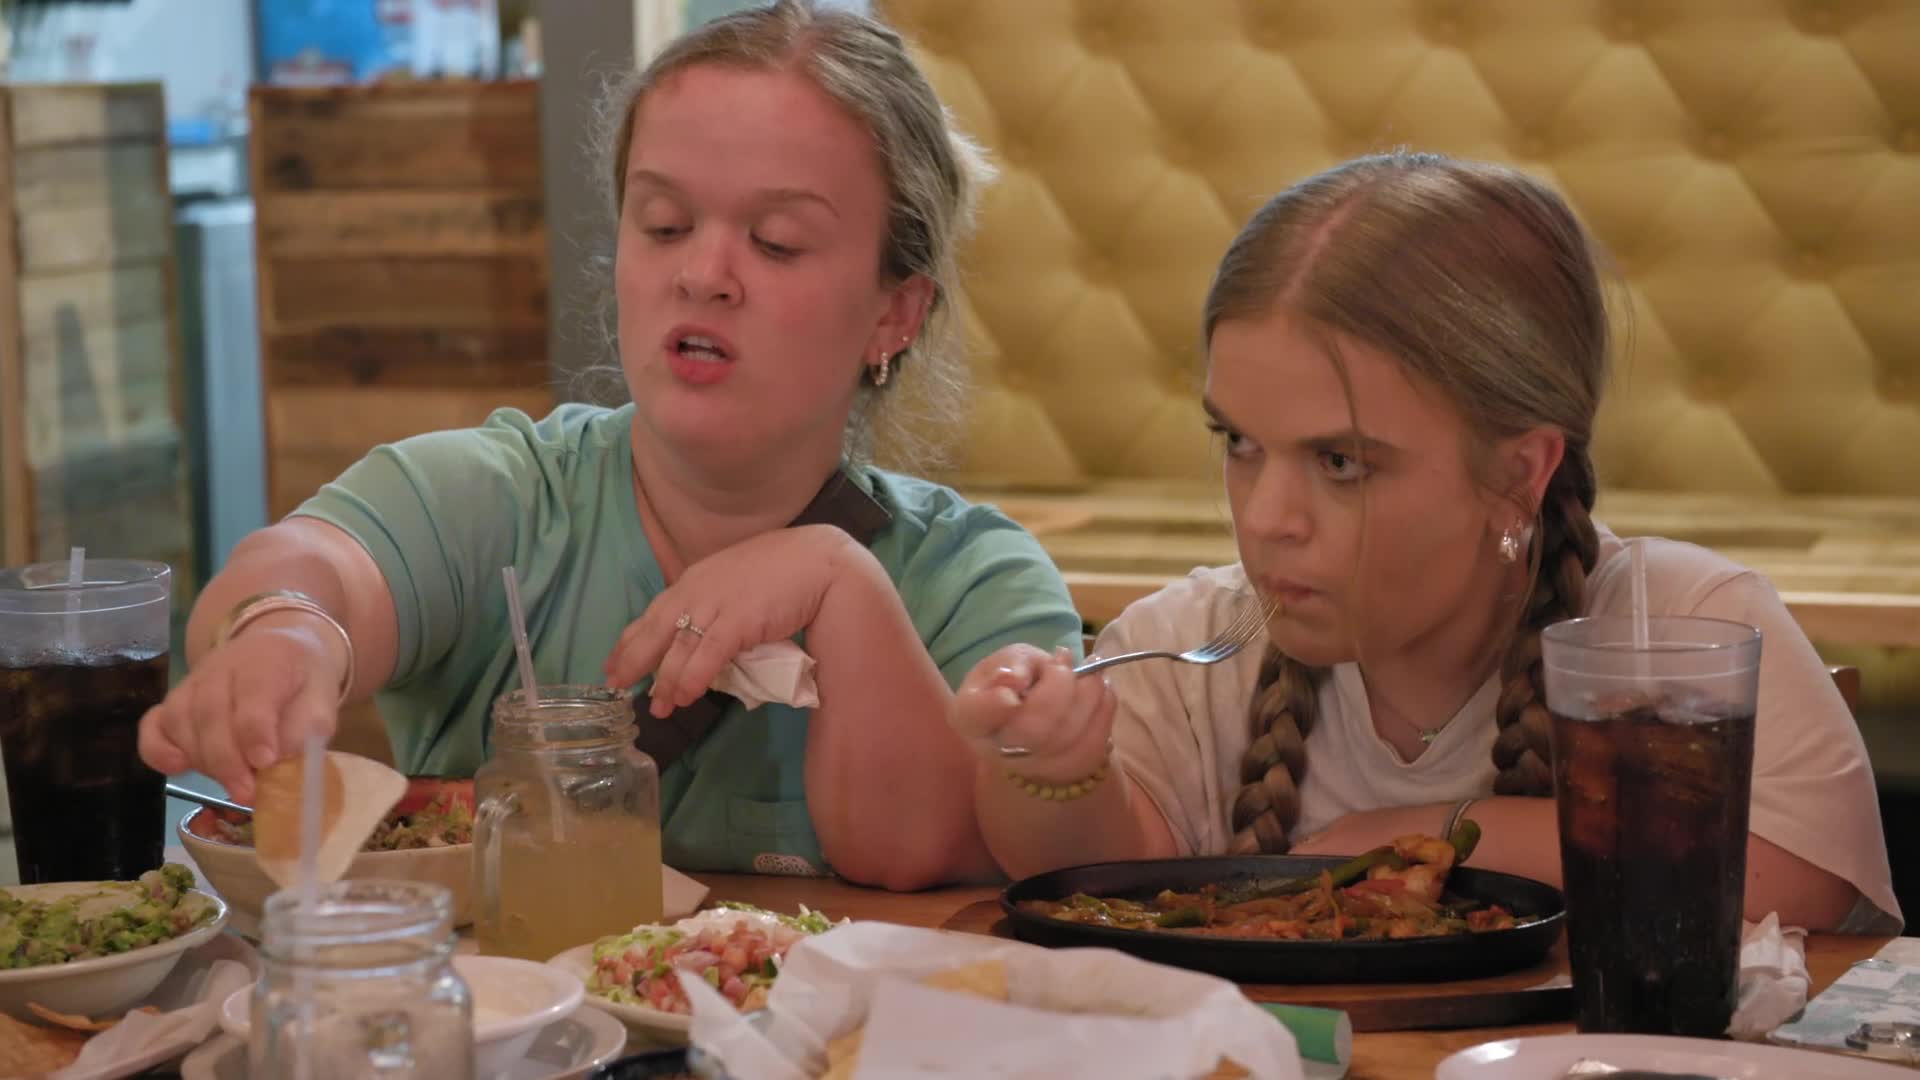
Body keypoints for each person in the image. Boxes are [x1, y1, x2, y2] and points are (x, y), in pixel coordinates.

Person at [139, 0, 1083, 891]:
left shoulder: (972, 583)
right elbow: (317, 564)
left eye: (777, 241)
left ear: (895, 313)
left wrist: (841, 585)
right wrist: (285, 630)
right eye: (664, 225)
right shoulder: (508, 498)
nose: (703, 274)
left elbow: (932, 855)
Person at [950, 151, 1900, 933]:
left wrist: (1431, 828)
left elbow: (1800, 883)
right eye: (1239, 443)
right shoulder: (1196, 643)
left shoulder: (1681, 629)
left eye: (1341, 462)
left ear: (1518, 473)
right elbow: (1097, 877)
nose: (1266, 517)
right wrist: (1052, 771)